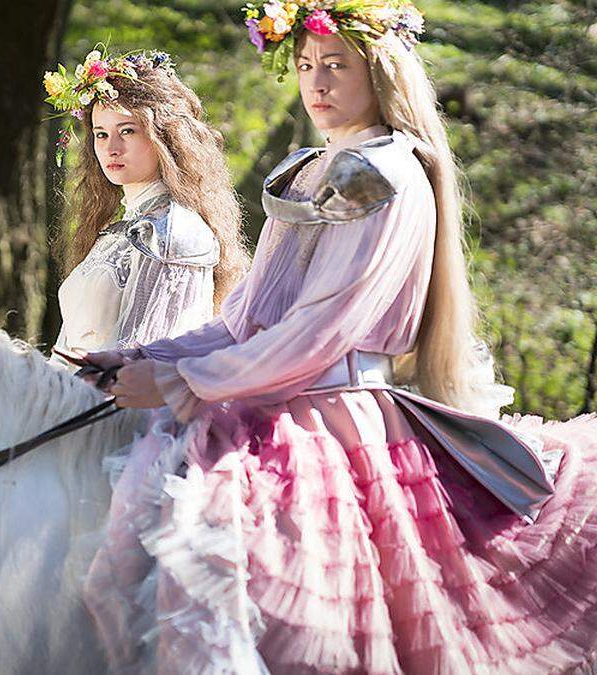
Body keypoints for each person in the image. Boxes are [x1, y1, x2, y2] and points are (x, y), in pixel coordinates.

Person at [78, 4, 597, 672]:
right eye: (303, 67)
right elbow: (244, 322)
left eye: (334, 65)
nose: (316, 83)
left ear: (377, 73)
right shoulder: (307, 173)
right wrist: (146, 356)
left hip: (338, 417)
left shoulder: (391, 174)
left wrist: (181, 382)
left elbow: (321, 335)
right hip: (270, 401)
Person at [43, 48, 249, 360]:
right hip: (74, 399)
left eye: (127, 131)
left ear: (164, 136)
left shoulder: (173, 233)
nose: (111, 147)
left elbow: (142, 361)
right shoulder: (117, 232)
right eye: (101, 134)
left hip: (116, 404)